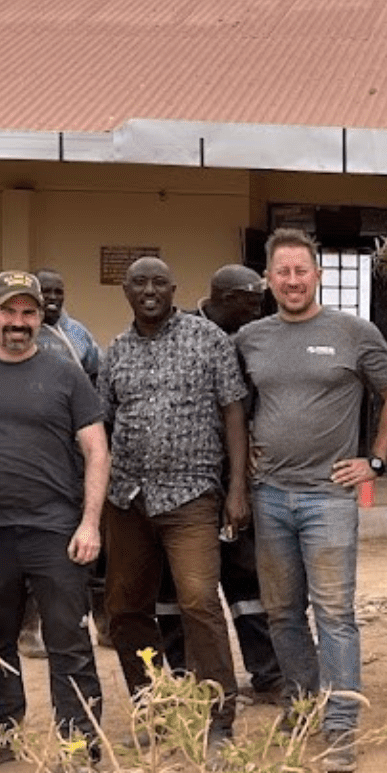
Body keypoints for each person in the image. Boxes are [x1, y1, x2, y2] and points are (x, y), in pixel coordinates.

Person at [237, 228, 387, 773]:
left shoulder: (353, 332)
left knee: (335, 614)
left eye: (300, 271)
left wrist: (375, 459)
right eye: (281, 272)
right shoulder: (252, 338)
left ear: (318, 275)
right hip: (270, 495)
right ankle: (302, 704)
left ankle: (340, 726)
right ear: (269, 279)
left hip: (328, 496)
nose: (291, 280)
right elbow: (238, 405)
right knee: (282, 612)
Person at [0, 270, 109, 773]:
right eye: (9, 312)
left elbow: (97, 449)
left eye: (29, 313)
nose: (19, 323)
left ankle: (80, 747)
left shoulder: (65, 373)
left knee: (68, 640)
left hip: (56, 530)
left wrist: (90, 523)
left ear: (40, 318)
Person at [96, 257, 250, 753]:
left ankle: (219, 716)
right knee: (124, 609)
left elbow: (233, 414)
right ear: (125, 289)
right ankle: (154, 705)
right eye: (139, 282)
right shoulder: (115, 352)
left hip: (191, 496)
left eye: (159, 282)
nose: (149, 290)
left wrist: (237, 489)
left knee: (199, 601)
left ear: (173, 288)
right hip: (128, 498)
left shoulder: (209, 341)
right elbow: (105, 426)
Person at [146, 264, 284, 699]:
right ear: (224, 298)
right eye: (249, 303)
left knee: (246, 581)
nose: (257, 312)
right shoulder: (185, 334)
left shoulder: (255, 337)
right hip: (186, 486)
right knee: (177, 588)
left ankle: (268, 674)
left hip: (237, 482)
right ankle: (186, 677)